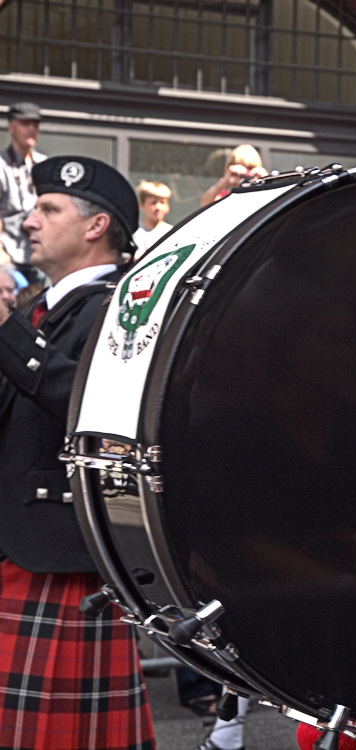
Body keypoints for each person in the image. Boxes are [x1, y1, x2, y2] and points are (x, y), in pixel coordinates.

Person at [0, 156, 154, 748]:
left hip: (62, 562)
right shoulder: (44, 306)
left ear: (96, 226)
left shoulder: (126, 310)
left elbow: (100, 409)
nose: (31, 220)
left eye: (48, 208)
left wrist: (6, 331)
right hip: (20, 549)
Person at [0, 102, 46, 284]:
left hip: (38, 255)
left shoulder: (42, 164)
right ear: (11, 127)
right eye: (25, 124)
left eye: (35, 124)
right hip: (8, 257)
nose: (31, 129)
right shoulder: (2, 166)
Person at [200, 144, 268, 206]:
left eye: (250, 168)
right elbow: (205, 205)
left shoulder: (260, 194)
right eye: (238, 173)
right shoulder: (225, 196)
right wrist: (224, 182)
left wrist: (266, 181)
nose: (244, 176)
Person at [133, 179, 174, 257]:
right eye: (153, 203)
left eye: (162, 202)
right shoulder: (134, 232)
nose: (158, 207)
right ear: (141, 205)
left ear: (168, 206)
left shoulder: (172, 232)